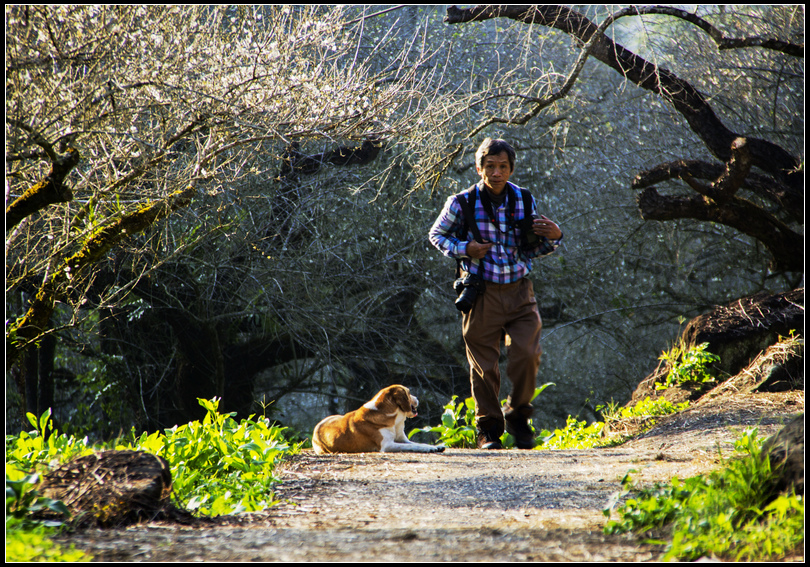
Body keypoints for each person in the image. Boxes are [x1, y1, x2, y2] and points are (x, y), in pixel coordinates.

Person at [429, 138, 563, 449]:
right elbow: (436, 235)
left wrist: (556, 237)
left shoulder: (524, 199)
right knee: (484, 365)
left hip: (520, 291)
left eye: (503, 166)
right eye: (490, 166)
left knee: (528, 354)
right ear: (479, 168)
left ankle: (519, 415)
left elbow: (535, 247)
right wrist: (466, 249)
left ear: (511, 169)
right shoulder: (461, 202)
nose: (496, 172)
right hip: (481, 292)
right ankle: (489, 431)